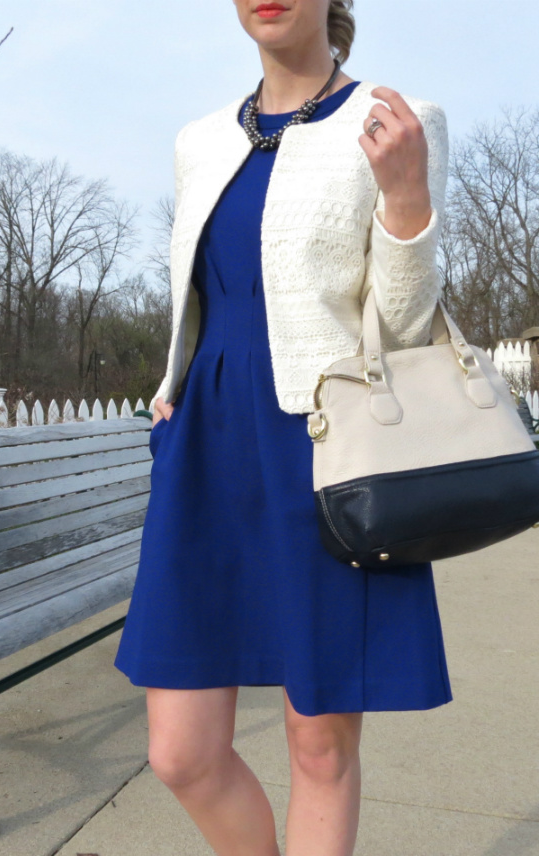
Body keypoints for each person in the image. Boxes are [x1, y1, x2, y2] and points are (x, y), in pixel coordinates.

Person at [114, 1, 452, 853]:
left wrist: (406, 198)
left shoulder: (395, 120)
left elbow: (403, 332)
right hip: (205, 452)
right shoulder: (200, 139)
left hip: (325, 452)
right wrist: (172, 384)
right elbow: (201, 293)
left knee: (319, 744)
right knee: (180, 752)